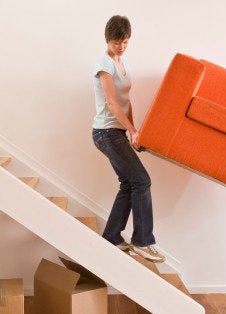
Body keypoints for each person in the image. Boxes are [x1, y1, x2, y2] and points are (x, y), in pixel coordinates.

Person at [91, 15, 164, 263]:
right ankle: (143, 241)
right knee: (142, 181)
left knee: (129, 183)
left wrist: (134, 130)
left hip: (117, 132)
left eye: (124, 41)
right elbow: (112, 102)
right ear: (107, 39)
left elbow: (126, 101)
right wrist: (131, 130)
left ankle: (112, 235)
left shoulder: (124, 64)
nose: (120, 46)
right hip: (105, 132)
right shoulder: (104, 64)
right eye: (115, 42)